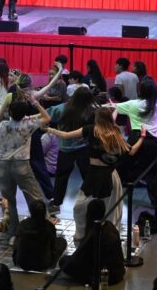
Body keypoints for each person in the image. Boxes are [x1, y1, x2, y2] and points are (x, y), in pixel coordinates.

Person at [48, 109, 145, 242]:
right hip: (104, 175)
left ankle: (90, 235)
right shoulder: (112, 133)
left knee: (83, 207)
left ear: (97, 118)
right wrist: (142, 137)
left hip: (102, 175)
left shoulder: (92, 129)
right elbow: (132, 151)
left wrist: (50, 130)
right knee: (108, 210)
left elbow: (66, 135)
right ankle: (103, 236)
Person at [0, 95, 49, 242]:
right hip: (22, 165)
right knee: (34, 197)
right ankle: (41, 226)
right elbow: (47, 118)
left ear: (10, 112)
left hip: (2, 166)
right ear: (24, 114)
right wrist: (35, 102)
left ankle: (13, 231)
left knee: (10, 201)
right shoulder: (28, 124)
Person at [115, 78, 157, 214]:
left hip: (135, 139)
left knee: (121, 165)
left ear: (140, 90)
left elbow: (112, 106)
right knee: (154, 173)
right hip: (152, 143)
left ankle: (114, 193)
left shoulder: (132, 104)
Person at [46, 86, 97, 216]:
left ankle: (56, 203)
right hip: (83, 148)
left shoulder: (61, 108)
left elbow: (46, 116)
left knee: (61, 177)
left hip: (65, 148)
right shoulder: (90, 112)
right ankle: (91, 202)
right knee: (87, 175)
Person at [58, 199, 125, 286]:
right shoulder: (110, 225)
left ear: (89, 214)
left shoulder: (94, 233)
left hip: (105, 277)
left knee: (64, 261)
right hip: (119, 272)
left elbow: (80, 257)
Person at [12, 199, 67, 271]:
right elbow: (52, 247)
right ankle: (51, 264)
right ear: (45, 212)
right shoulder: (49, 226)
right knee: (62, 242)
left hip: (22, 263)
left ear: (30, 211)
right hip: (43, 265)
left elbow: (16, 244)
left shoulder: (22, 224)